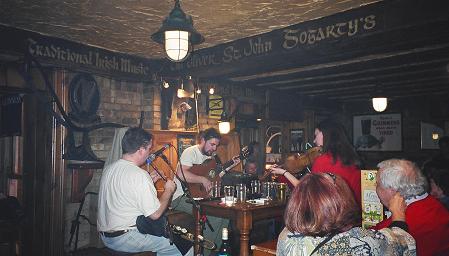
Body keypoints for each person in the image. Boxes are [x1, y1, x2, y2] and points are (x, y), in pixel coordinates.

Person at [97, 127, 191, 256]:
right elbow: (155, 214)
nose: (150, 152)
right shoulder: (139, 174)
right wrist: (168, 191)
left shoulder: (110, 168)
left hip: (105, 237)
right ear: (141, 150)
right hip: (125, 238)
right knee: (184, 247)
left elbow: (126, 192)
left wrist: (149, 181)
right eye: (149, 148)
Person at [276, 172, 416, 256]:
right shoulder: (357, 240)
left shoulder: (286, 236)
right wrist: (398, 214)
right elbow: (401, 244)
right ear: (340, 202)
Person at [171, 127, 239, 255]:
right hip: (181, 197)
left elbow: (213, 178)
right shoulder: (190, 152)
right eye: (212, 144)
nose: (214, 148)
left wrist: (229, 167)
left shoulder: (212, 157)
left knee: (226, 215)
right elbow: (180, 173)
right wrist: (202, 179)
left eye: (216, 145)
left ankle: (214, 251)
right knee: (214, 216)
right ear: (202, 140)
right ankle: (201, 253)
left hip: (200, 197)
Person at [270, 119, 362, 204]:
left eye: (316, 135)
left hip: (333, 215)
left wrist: (284, 173)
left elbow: (308, 191)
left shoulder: (324, 160)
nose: (314, 140)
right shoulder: (350, 158)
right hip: (352, 213)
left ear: (324, 134)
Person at [373, 159, 449, 256]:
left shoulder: (398, 226)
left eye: (378, 184)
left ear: (393, 190)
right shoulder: (435, 204)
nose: (375, 187)